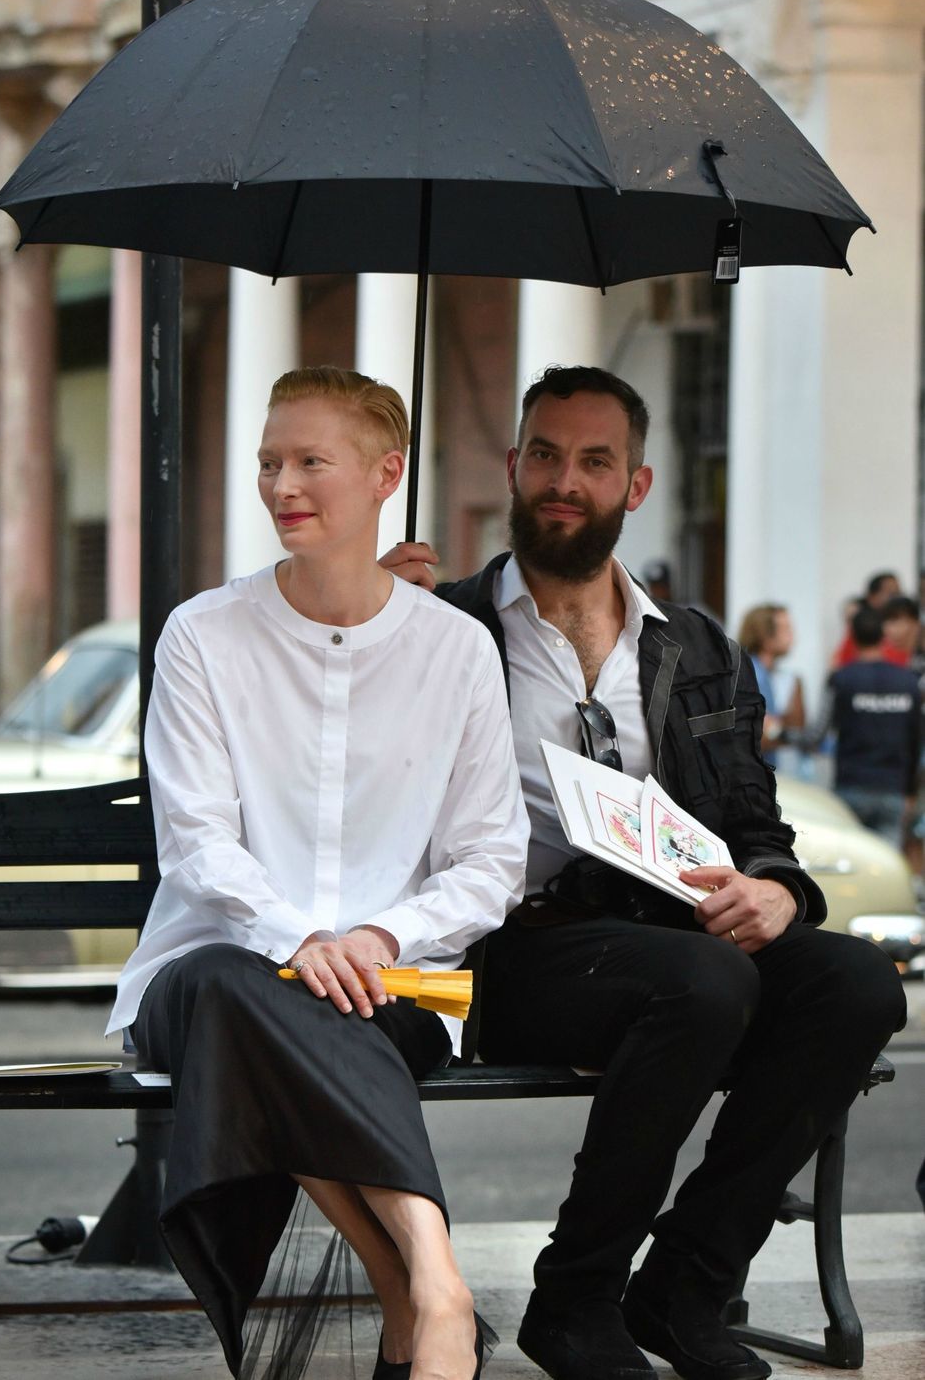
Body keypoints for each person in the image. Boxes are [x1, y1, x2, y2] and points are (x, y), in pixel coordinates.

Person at [383, 365, 906, 1380]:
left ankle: (683, 1286)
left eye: (592, 461)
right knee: (704, 982)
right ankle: (574, 1300)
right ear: (511, 466)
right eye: (543, 454)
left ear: (636, 485)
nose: (562, 480)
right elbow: (360, 793)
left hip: (674, 937)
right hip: (506, 949)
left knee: (851, 982)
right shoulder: (442, 627)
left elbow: (758, 824)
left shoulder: (699, 648)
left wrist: (777, 892)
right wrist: (373, 636)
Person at [107, 366, 529, 1380]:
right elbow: (197, 842)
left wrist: (379, 937)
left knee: (288, 1014)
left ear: (387, 474)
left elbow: (491, 858)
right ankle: (430, 1280)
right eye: (268, 462)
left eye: (309, 462)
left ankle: (408, 1298)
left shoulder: (455, 651)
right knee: (229, 985)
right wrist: (298, 939)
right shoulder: (203, 635)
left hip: (394, 987)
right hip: (217, 974)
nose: (281, 483)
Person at [815, 604, 922, 850]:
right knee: (886, 866)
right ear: (883, 634)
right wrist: (911, 791)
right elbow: (915, 739)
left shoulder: (841, 678)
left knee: (854, 863)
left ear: (853, 636)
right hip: (893, 788)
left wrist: (779, 732)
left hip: (851, 785)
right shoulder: (907, 681)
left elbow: (817, 734)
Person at [736, 604, 805, 766]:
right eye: (785, 629)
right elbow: (753, 734)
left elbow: (796, 729)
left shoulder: (785, 678)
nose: (792, 635)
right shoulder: (744, 674)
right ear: (765, 636)